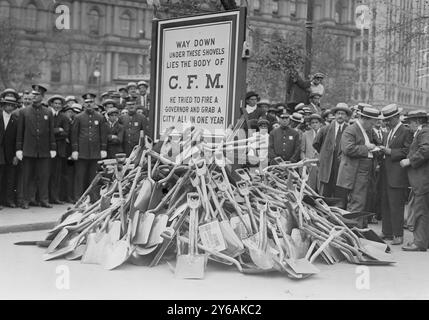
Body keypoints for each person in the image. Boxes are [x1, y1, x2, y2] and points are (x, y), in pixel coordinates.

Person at [337, 106, 381, 227]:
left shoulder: (368, 130)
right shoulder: (351, 130)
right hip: (355, 172)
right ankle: (353, 230)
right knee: (357, 202)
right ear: (364, 119)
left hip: (365, 171)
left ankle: (360, 228)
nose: (373, 125)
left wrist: (377, 147)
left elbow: (376, 143)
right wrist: (367, 148)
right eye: (372, 122)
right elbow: (347, 149)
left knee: (364, 201)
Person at [377, 104, 412, 245]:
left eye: (389, 119)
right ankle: (387, 232)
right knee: (385, 202)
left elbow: (408, 151)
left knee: (396, 205)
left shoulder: (406, 131)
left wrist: (390, 152)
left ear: (397, 117)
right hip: (386, 173)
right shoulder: (387, 132)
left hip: (397, 175)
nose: (386, 122)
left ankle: (398, 235)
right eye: (385, 120)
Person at [16, 85, 56, 209]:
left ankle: (44, 200)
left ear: (42, 97)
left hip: (43, 150)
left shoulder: (48, 112)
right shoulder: (24, 111)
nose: (34, 96)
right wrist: (19, 148)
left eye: (37, 95)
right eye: (33, 94)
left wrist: (53, 147)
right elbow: (20, 131)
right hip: (28, 149)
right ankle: (25, 200)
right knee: (27, 176)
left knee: (44, 176)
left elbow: (50, 132)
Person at [399, 110, 429, 251]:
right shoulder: (422, 132)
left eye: (409, 123)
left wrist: (410, 161)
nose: (408, 126)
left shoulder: (423, 132)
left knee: (420, 211)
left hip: (422, 180)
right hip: (423, 179)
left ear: (417, 122)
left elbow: (426, 149)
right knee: (423, 211)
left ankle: (419, 243)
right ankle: (423, 241)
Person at [313, 103, 351, 208]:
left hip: (342, 165)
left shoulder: (350, 129)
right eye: (338, 113)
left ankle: (339, 215)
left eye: (343, 114)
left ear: (346, 116)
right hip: (328, 164)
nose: (340, 116)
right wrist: (325, 154)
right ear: (334, 115)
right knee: (326, 192)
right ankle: (324, 213)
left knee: (341, 192)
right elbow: (316, 143)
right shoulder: (326, 129)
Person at [71, 93, 108, 202]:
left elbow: (103, 134)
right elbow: (74, 135)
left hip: (95, 152)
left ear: (94, 103)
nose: (89, 105)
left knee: (93, 177)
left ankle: (93, 198)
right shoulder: (78, 117)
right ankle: (78, 198)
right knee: (79, 176)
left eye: (91, 102)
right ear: (84, 104)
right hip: (82, 152)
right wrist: (75, 150)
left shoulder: (100, 117)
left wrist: (103, 149)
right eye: (87, 103)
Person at [47, 95, 70, 205]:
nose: (57, 105)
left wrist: (53, 133)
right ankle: (44, 197)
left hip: (59, 150)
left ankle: (54, 197)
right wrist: (57, 130)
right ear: (51, 104)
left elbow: (66, 133)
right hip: (46, 149)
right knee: (45, 174)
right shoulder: (47, 114)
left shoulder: (64, 117)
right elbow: (45, 131)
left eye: (59, 104)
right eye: (55, 103)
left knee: (56, 175)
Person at [0, 96, 19, 208]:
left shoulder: (16, 120)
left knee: (10, 177)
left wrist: (16, 154)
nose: (10, 107)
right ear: (3, 105)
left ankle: (8, 200)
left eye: (12, 105)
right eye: (7, 104)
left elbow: (18, 139)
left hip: (10, 153)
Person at [62, 103, 82, 203]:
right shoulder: (67, 123)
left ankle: (71, 196)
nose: (72, 114)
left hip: (73, 152)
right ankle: (67, 196)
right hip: (66, 152)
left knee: (72, 174)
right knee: (67, 175)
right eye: (70, 112)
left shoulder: (75, 123)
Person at [302, 113, 322, 192]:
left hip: (321, 165)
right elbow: (302, 151)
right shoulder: (306, 134)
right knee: (310, 188)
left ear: (320, 123)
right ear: (310, 124)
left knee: (321, 187)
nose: (314, 124)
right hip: (309, 165)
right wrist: (305, 162)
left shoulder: (325, 133)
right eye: (312, 123)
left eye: (316, 122)